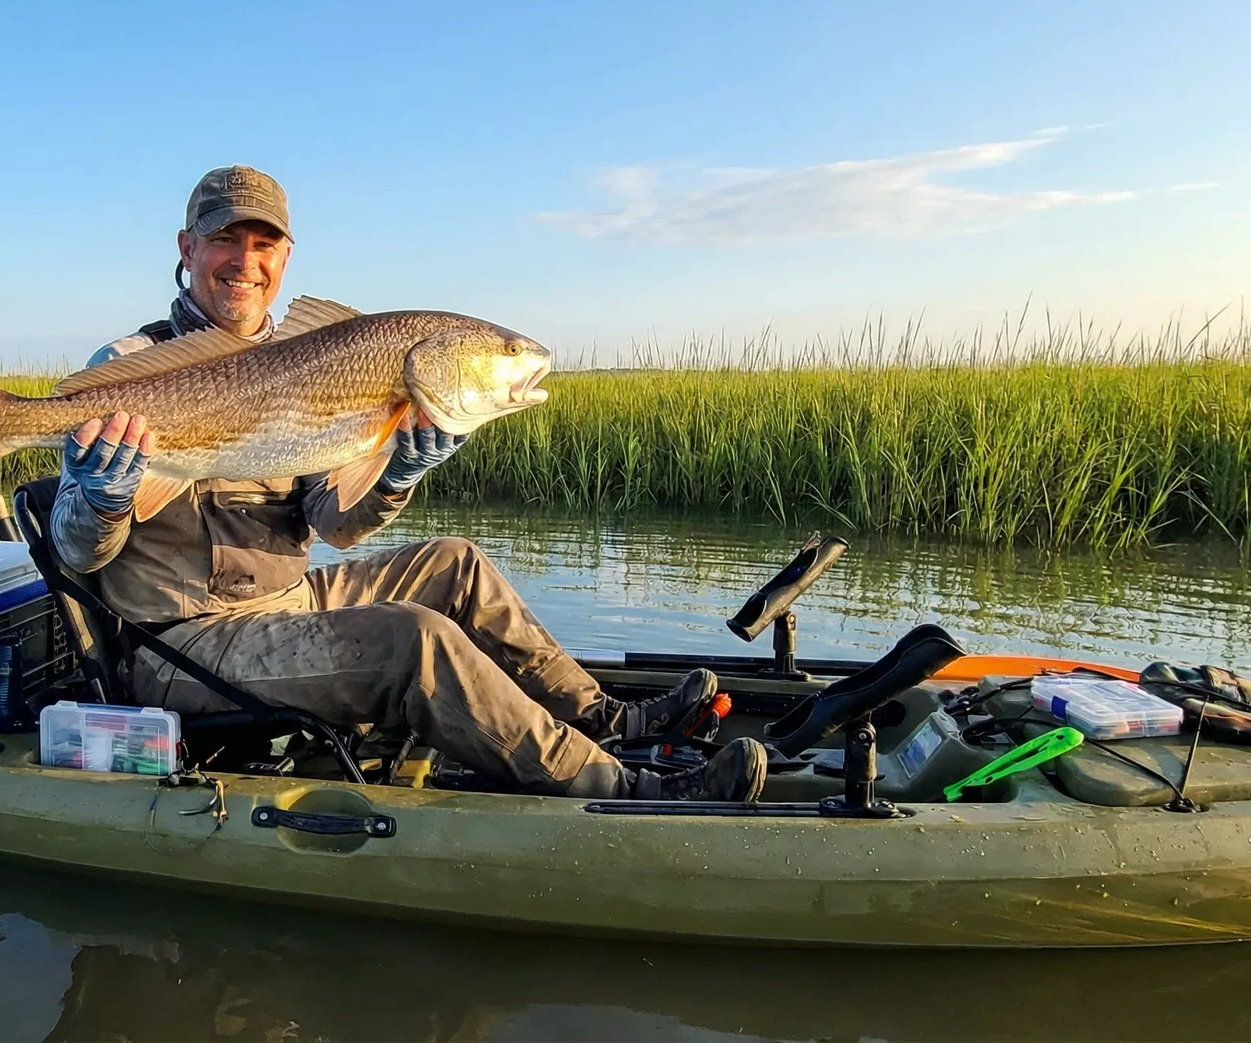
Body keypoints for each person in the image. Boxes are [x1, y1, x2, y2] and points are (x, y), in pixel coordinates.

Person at [48, 164, 767, 801]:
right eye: (225, 240)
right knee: (411, 640)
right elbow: (77, 555)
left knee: (455, 563)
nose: (245, 261)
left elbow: (335, 524)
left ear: (286, 258)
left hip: (286, 602)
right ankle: (625, 786)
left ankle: (603, 718)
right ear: (188, 249)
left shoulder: (305, 355)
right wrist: (104, 499)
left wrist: (397, 471)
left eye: (263, 245)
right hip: (183, 644)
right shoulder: (134, 363)